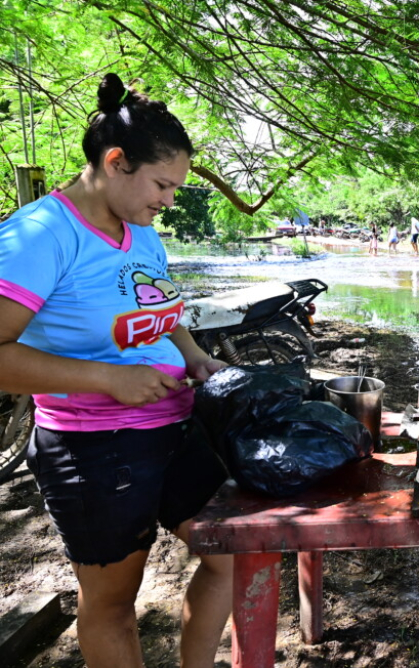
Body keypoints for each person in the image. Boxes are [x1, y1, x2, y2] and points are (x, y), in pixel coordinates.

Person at [0, 73, 232, 668]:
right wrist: (110, 379)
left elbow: (160, 306)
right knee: (112, 601)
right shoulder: (40, 235)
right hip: (93, 449)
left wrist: (192, 353)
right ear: (115, 162)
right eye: (162, 184)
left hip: (175, 429)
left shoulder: (141, 230)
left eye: (175, 188)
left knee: (234, 554)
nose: (169, 200)